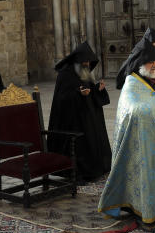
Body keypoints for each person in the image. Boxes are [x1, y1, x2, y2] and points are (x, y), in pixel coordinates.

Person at [98, 38, 155, 227]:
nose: (154, 66)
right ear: (139, 64)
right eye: (149, 62)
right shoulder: (132, 84)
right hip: (142, 144)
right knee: (147, 176)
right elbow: (134, 110)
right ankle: (146, 210)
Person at [48, 41, 112, 182]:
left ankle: (97, 168)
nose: (88, 65)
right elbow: (61, 99)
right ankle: (83, 172)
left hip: (88, 117)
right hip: (73, 120)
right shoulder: (65, 74)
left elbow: (89, 90)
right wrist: (78, 94)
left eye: (89, 63)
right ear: (78, 62)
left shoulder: (84, 73)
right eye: (85, 63)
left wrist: (97, 90)